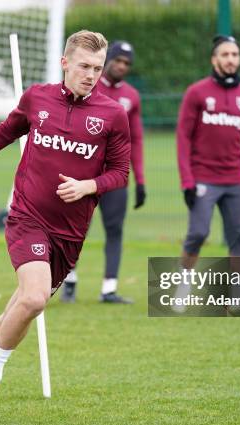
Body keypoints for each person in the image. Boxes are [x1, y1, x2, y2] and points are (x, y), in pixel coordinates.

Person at [0, 30, 131, 422]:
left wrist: (89, 185)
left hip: (69, 235)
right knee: (35, 299)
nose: (91, 75)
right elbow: (7, 131)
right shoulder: (37, 98)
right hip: (26, 218)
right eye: (84, 66)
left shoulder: (113, 114)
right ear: (65, 63)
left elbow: (120, 172)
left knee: (19, 308)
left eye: (97, 68)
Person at [176, 35, 240, 287]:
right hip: (203, 179)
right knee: (198, 233)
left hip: (235, 181)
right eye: (225, 55)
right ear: (214, 59)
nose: (231, 59)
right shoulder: (196, 92)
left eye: (235, 55)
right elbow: (182, 138)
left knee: (239, 238)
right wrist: (187, 180)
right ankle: (183, 282)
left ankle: (239, 294)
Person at [61, 40, 145, 305]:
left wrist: (140, 179)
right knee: (74, 229)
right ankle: (69, 280)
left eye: (126, 64)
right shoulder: (87, 87)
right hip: (82, 174)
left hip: (115, 177)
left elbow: (137, 140)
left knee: (114, 229)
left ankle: (109, 289)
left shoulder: (131, 96)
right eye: (117, 60)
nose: (121, 66)